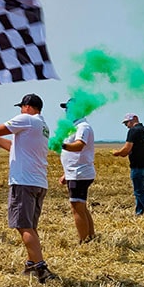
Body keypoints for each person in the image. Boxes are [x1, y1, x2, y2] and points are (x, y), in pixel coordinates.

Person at [0, 93, 54, 283]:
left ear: (28, 107)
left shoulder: (27, 119)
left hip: (23, 182)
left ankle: (41, 269)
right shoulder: (42, 126)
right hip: (38, 182)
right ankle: (31, 264)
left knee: (23, 225)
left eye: (21, 107)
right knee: (30, 225)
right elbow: (9, 145)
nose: (20, 110)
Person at [57, 100, 97, 243]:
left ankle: (83, 241)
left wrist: (61, 145)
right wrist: (66, 174)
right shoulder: (75, 127)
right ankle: (91, 237)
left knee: (77, 208)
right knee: (82, 207)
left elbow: (79, 145)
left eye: (69, 109)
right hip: (75, 173)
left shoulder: (83, 127)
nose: (66, 112)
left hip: (79, 174)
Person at [112, 113, 144, 217]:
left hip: (139, 167)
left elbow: (126, 150)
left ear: (134, 119)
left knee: (139, 192)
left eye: (127, 123)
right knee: (141, 190)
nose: (127, 125)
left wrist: (117, 153)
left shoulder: (133, 131)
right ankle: (139, 212)